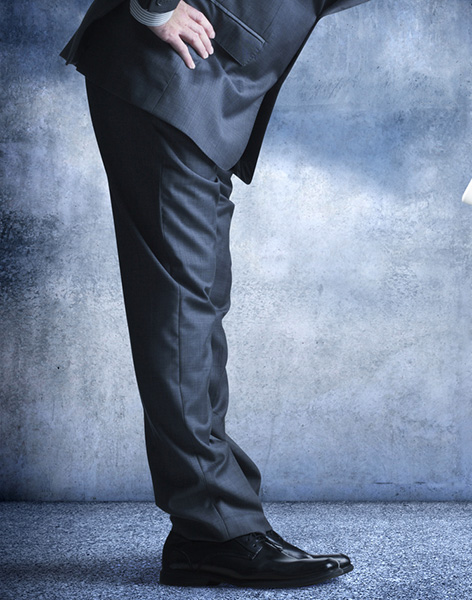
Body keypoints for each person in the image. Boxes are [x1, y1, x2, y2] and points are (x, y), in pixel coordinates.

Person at [60, 0, 370, 589]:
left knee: (191, 306)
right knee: (183, 309)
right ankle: (214, 530)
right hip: (170, 81)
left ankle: (211, 523)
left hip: (198, 94)